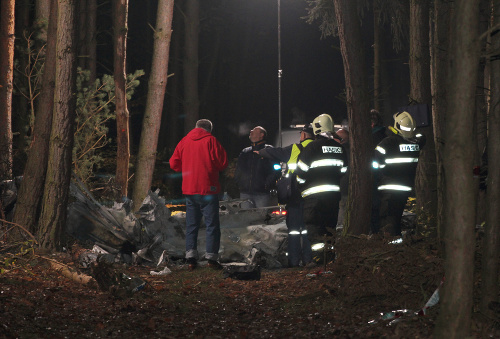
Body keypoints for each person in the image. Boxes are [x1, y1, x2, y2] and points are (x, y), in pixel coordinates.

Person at [169, 119, 228, 270]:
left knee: (191, 225)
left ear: (196, 128)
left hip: (189, 189)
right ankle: (211, 259)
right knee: (212, 225)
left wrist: (188, 167)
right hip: (208, 189)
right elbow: (222, 163)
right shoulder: (211, 140)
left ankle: (190, 258)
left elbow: (174, 163)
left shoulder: (184, 141)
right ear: (209, 130)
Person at [256, 124, 315, 267]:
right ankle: (309, 259)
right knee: (309, 228)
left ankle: (294, 261)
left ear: (304, 135)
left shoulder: (296, 148)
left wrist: (261, 152)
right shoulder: (317, 148)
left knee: (294, 230)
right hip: (313, 196)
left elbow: (276, 152)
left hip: (295, 194)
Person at [294, 114, 348, 255]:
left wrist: (300, 187)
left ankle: (319, 260)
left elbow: (301, 172)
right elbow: (343, 171)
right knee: (329, 228)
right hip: (333, 196)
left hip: (314, 197)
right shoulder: (340, 148)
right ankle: (329, 259)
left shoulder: (312, 148)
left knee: (314, 227)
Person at [373, 111, 425, 236]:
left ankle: (391, 246)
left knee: (387, 220)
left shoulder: (387, 143)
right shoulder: (416, 145)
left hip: (388, 188)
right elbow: (422, 137)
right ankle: (396, 245)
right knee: (396, 218)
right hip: (405, 188)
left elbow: (376, 165)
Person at [235, 126, 279, 209]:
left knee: (262, 219)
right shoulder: (245, 152)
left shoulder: (269, 150)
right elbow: (238, 169)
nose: (251, 131)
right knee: (247, 218)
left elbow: (276, 169)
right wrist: (239, 183)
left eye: (254, 131)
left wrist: (267, 184)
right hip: (245, 193)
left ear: (261, 135)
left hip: (262, 193)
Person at [370, 109, 386, 234]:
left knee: (375, 210)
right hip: (384, 179)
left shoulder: (373, 137)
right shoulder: (385, 136)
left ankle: (376, 236)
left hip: (375, 179)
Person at [333, 128, 349, 231]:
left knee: (341, 216)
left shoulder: (342, 150)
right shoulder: (353, 149)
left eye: (335, 137)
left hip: (343, 188)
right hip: (347, 188)